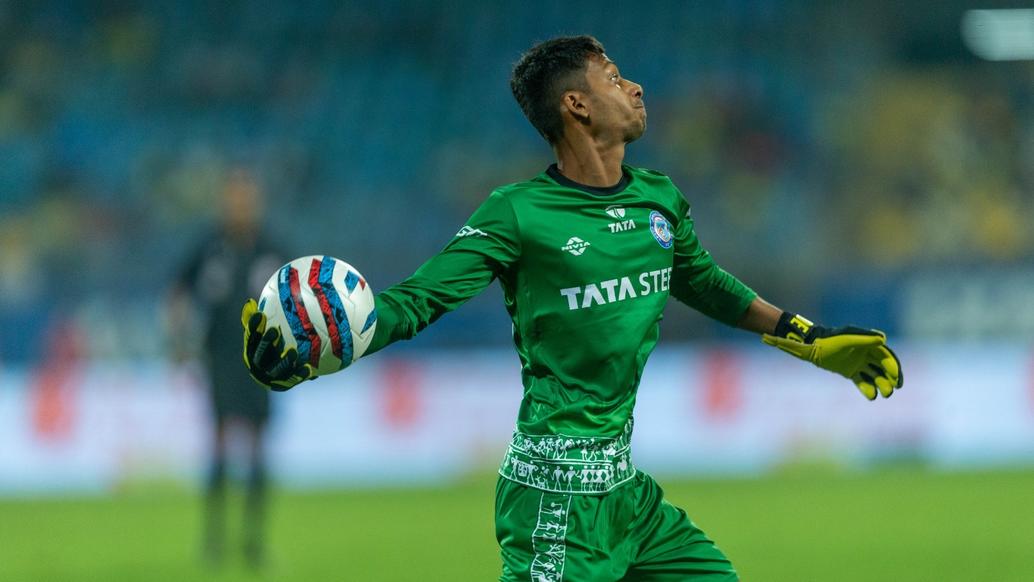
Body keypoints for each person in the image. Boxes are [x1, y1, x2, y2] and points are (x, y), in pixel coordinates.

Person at [240, 36, 902, 581]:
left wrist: (806, 338)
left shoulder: (658, 200)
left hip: (627, 500)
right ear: (578, 105)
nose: (635, 88)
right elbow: (419, 300)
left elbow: (704, 283)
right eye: (615, 78)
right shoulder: (518, 213)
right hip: (554, 496)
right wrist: (321, 347)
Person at [170, 168, 284, 568]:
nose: (239, 205)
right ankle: (214, 542)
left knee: (256, 447)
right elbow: (178, 291)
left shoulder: (272, 248)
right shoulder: (208, 246)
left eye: (246, 198)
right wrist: (180, 340)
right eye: (233, 198)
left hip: (265, 360)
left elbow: (302, 298)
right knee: (218, 443)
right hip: (219, 356)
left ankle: (253, 543)